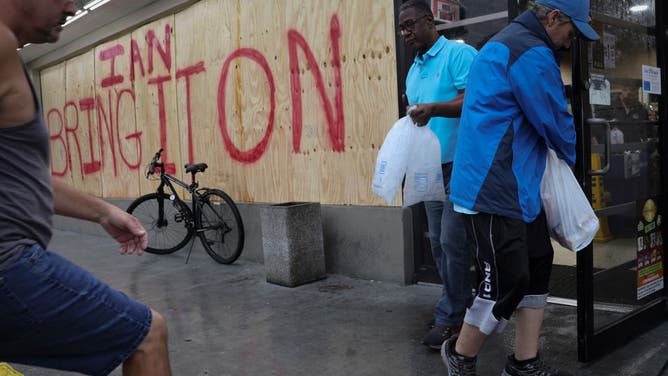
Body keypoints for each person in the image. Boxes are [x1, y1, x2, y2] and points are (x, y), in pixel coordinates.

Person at [0, 1, 172, 375]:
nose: (71, 6)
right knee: (146, 334)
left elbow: (19, 176)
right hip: (7, 269)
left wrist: (103, 211)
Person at [443, 0, 599, 375]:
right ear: (552, 17)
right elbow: (554, 120)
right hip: (494, 187)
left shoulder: (509, 43)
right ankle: (461, 355)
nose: (568, 41)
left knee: (537, 264)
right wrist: (577, 162)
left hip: (515, 183)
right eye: (570, 31)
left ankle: (523, 362)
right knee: (505, 280)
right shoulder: (529, 52)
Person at [398, 0, 478, 350]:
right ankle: (458, 305)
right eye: (402, 28)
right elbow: (418, 115)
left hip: (460, 164)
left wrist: (434, 109)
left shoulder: (459, 56)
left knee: (452, 241)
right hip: (429, 166)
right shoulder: (414, 70)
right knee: (438, 245)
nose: (406, 33)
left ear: (431, 22)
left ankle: (452, 318)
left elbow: (475, 99)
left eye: (411, 24)